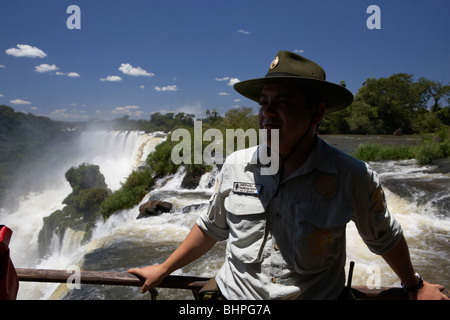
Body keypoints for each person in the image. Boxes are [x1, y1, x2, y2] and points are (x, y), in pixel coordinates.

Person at [128, 51, 448, 300]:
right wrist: (165, 267)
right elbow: (211, 228)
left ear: (317, 113)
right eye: (264, 103)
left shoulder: (352, 176)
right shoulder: (236, 166)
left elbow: (384, 237)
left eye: (283, 103)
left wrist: (414, 286)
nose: (267, 113)